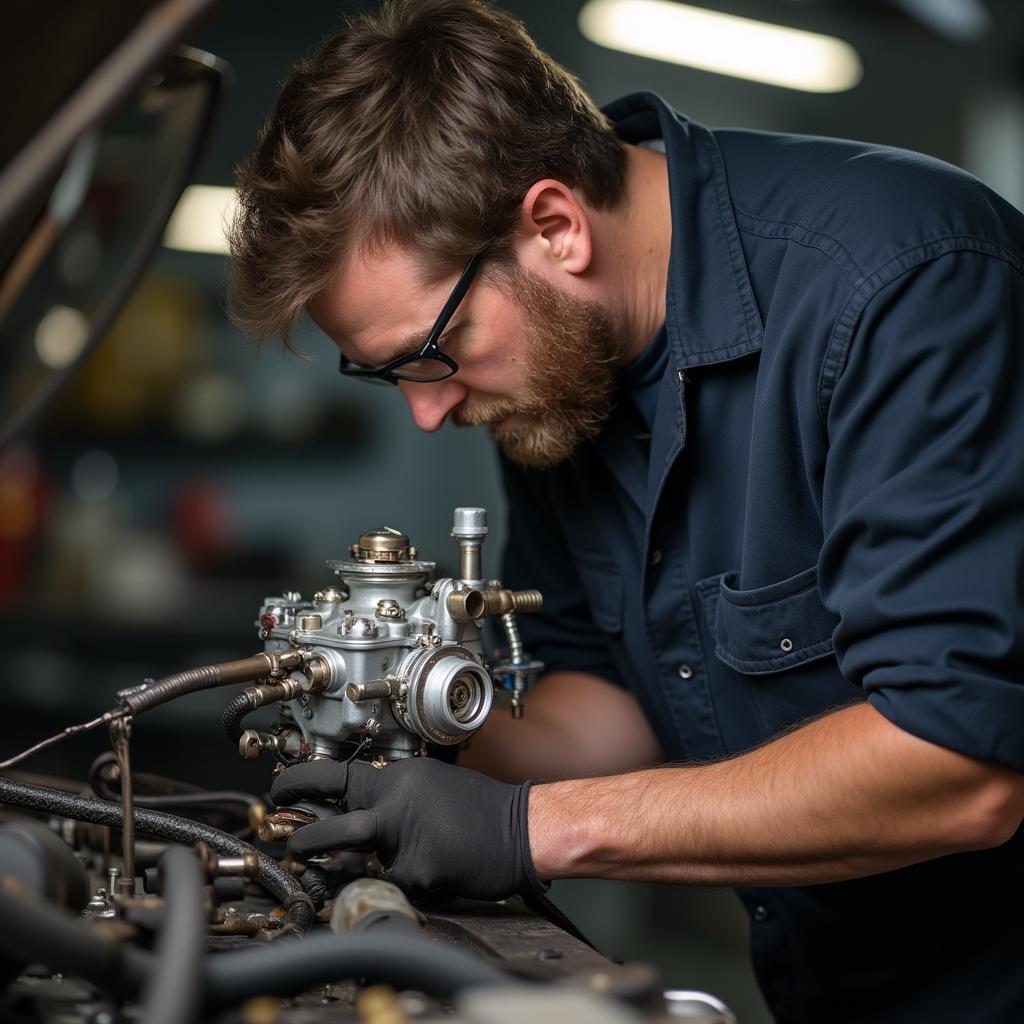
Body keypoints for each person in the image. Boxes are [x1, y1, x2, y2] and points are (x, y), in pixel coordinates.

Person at [227, 2, 1024, 1020]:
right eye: (387, 375)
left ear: (554, 226)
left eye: (435, 352)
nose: (428, 411)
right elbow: (613, 702)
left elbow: (957, 759)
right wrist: (421, 747)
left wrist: (532, 828)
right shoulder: (561, 376)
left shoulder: (904, 285)